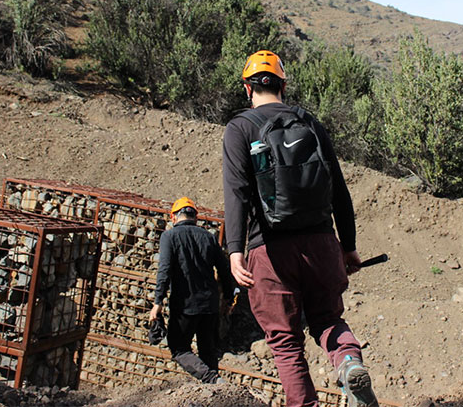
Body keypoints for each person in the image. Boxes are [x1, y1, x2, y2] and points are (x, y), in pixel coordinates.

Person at [222, 50, 379, 407]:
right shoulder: (309, 122)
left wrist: (234, 250)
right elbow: (338, 188)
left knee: (285, 341)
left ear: (248, 88)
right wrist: (348, 245)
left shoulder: (240, 128)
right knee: (327, 319)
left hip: (271, 252)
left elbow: (236, 193)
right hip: (322, 242)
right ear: (283, 85)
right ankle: (349, 362)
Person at [150, 196, 234, 384]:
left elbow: (164, 270)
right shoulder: (209, 238)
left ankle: (212, 380)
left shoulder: (169, 236)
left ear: (173, 217)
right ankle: (215, 393)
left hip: (185, 306)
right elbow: (225, 270)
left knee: (179, 348)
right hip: (210, 306)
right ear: (195, 217)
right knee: (208, 351)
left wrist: (158, 302)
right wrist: (228, 298)